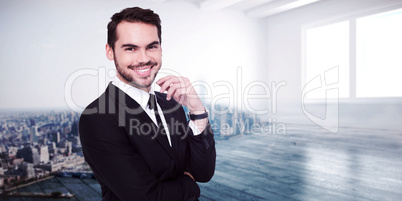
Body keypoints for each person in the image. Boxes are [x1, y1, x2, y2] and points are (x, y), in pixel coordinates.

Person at [79, 7, 216, 201]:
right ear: (110, 51)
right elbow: (146, 197)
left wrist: (197, 111)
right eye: (130, 48)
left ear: (161, 48)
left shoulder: (171, 104)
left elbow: (203, 173)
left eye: (151, 46)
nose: (143, 59)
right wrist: (189, 185)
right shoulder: (97, 117)